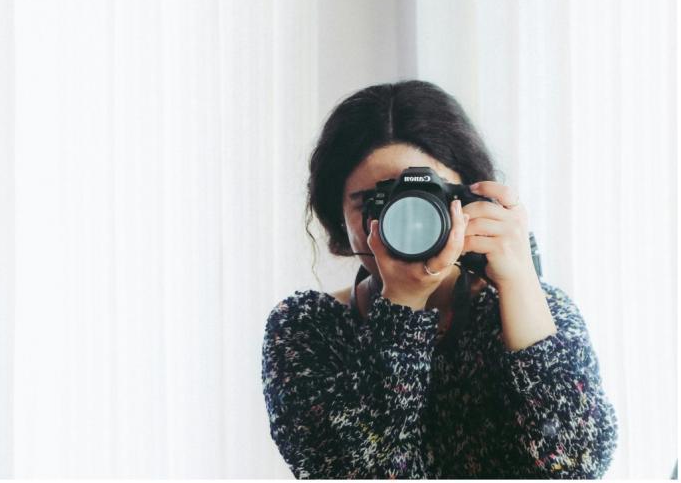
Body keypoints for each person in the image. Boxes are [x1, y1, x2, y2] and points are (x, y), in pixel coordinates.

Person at [260, 80, 619, 478]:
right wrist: (402, 306)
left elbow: (576, 468)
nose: (404, 221)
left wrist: (520, 283)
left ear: (469, 198)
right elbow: (355, 473)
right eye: (373, 204)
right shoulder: (306, 328)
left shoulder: (530, 308)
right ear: (338, 220)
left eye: (427, 197)